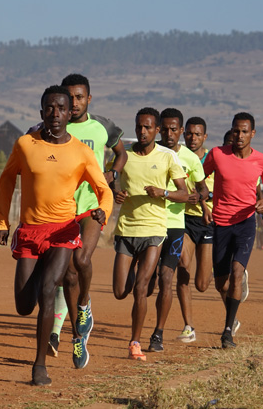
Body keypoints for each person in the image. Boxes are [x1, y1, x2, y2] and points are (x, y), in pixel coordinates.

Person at [0, 85, 113, 385]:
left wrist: (103, 212)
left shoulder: (81, 152)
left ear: (69, 112)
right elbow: (7, 180)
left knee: (49, 290)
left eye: (61, 108)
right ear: (41, 111)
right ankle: (43, 273)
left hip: (63, 230)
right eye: (50, 108)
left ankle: (39, 366)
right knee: (23, 305)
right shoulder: (25, 144)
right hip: (30, 231)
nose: (56, 114)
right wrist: (1, 222)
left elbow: (104, 189)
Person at [41, 74, 128, 362]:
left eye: (80, 97)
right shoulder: (50, 128)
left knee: (81, 260)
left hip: (93, 206)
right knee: (67, 275)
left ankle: (85, 305)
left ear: (89, 99)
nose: (74, 103)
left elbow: (120, 152)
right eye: (70, 98)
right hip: (61, 209)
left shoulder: (103, 126)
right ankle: (78, 337)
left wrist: (113, 173)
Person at [112, 107, 187, 362]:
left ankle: (135, 343)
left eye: (147, 128)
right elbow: (111, 179)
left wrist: (163, 193)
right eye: (138, 127)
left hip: (154, 231)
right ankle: (136, 283)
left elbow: (184, 194)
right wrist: (116, 193)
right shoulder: (124, 156)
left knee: (142, 287)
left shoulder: (167, 157)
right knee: (121, 291)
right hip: (126, 229)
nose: (142, 132)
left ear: (156, 130)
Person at [203, 112, 263, 348]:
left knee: (235, 273)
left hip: (245, 223)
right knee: (220, 283)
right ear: (231, 131)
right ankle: (232, 315)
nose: (240, 135)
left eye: (244, 131)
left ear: (252, 133)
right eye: (236, 131)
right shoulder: (217, 154)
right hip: (220, 223)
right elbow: (199, 178)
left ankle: (226, 332)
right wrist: (204, 202)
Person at [149, 109, 207, 352]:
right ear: (159, 128)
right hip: (148, 223)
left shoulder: (191, 159)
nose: (169, 133)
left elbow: (203, 190)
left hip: (175, 224)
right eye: (165, 129)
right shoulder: (151, 152)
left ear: (181, 131)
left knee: (168, 278)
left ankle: (158, 334)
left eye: (174, 130)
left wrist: (196, 197)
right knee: (144, 284)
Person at [176, 116, 215, 343]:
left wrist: (204, 198)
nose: (192, 138)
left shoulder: (213, 160)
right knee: (182, 263)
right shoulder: (177, 156)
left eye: (197, 134)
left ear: (204, 137)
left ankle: (218, 268)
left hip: (208, 221)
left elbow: (218, 190)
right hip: (185, 220)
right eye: (189, 133)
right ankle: (188, 326)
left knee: (201, 284)